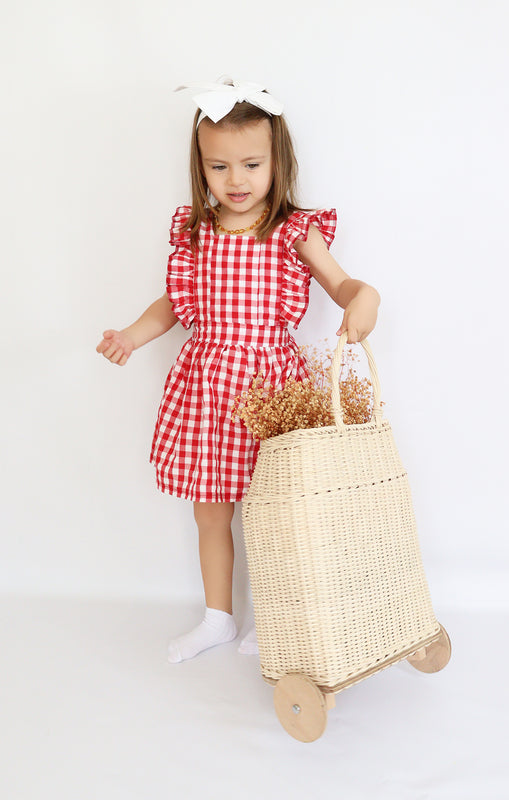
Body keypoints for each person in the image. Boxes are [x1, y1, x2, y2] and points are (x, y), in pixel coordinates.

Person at [96, 78, 380, 663]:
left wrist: (364, 296)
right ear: (201, 168)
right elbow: (173, 305)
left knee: (278, 509)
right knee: (211, 511)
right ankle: (218, 617)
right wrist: (131, 334)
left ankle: (279, 617)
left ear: (279, 161)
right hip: (208, 388)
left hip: (272, 390)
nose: (237, 181)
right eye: (219, 166)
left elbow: (341, 281)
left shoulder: (292, 232)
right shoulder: (194, 233)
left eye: (251, 164)